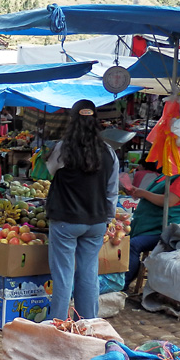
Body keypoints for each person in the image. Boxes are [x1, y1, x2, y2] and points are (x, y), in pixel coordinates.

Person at [45, 99, 119, 321]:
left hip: (66, 220)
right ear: (96, 121)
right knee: (88, 274)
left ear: (72, 120)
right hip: (96, 221)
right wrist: (108, 219)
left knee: (64, 275)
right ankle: (88, 324)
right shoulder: (109, 152)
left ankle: (58, 323)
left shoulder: (63, 148)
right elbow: (112, 191)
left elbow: (50, 170)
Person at [123, 171, 180, 291]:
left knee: (133, 245)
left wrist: (143, 193)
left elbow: (168, 201)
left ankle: (124, 284)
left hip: (168, 231)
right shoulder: (165, 176)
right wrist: (138, 192)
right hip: (150, 226)